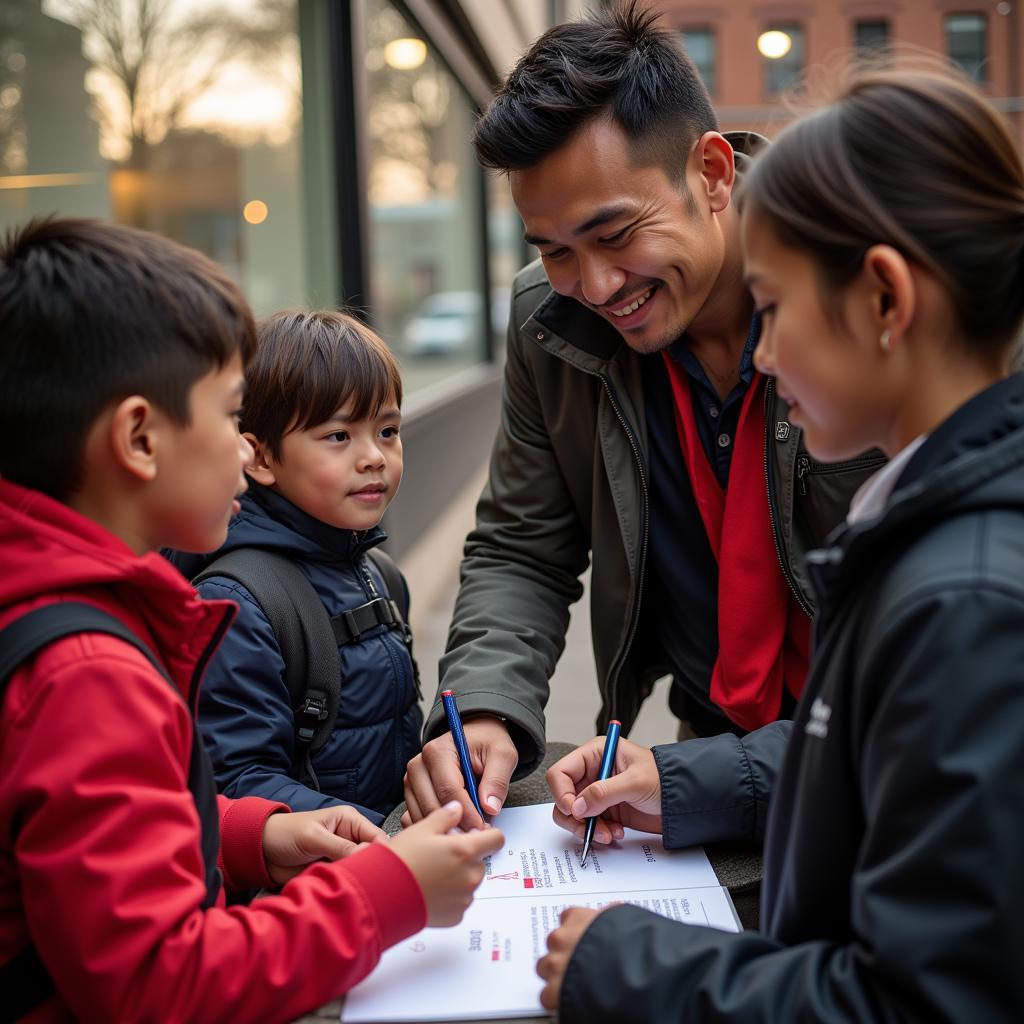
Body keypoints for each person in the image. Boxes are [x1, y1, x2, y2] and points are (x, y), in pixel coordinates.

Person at [536, 67, 1024, 1020]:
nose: (757, 355)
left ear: (884, 299)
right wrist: (680, 780)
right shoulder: (934, 536)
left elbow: (920, 1001)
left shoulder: (962, 601)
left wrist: (632, 967)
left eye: (775, 306)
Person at [0, 218, 503, 1022]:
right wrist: (388, 892)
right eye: (233, 417)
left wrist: (253, 833)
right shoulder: (86, 672)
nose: (247, 453)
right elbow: (159, 985)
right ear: (139, 437)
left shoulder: (66, 606)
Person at [403, 1, 882, 829]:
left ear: (713, 173)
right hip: (718, 741)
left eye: (615, 233)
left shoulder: (867, 289)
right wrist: (481, 707)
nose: (592, 286)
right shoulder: (546, 325)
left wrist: (704, 779)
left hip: (889, 751)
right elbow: (524, 544)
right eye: (553, 250)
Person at [191, 309, 420, 824]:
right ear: (261, 459)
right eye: (339, 436)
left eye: (387, 430)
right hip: (317, 878)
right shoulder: (237, 604)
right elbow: (236, 783)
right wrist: (367, 835)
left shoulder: (378, 573)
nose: (374, 457)